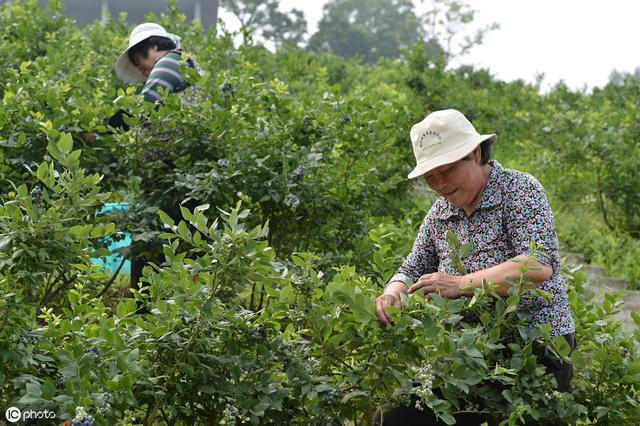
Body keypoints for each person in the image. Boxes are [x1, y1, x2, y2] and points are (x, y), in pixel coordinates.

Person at [373, 109, 576, 425]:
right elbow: (412, 266)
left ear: (476, 152)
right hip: (469, 351)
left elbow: (537, 265)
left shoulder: (519, 190)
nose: (439, 184)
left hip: (534, 347)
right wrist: (392, 292)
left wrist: (459, 284)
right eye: (431, 177)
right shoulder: (440, 214)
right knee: (396, 417)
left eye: (447, 170)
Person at [113, 23, 202, 292]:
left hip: (172, 179)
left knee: (148, 253)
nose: (142, 70)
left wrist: (102, 132)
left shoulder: (171, 60)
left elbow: (144, 105)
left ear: (153, 45)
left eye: (140, 62)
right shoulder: (186, 65)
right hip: (182, 179)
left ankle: (143, 319)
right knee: (182, 251)